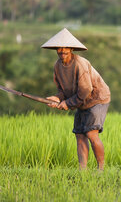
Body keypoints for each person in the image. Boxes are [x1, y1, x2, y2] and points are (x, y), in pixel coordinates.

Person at [42, 28, 111, 170]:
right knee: (79, 134)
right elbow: (63, 90)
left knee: (91, 133)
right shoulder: (57, 66)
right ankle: (82, 170)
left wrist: (67, 103)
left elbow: (86, 90)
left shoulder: (80, 64)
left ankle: (101, 170)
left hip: (96, 98)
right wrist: (57, 98)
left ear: (71, 48)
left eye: (65, 49)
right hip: (81, 101)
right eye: (59, 49)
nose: (62, 52)